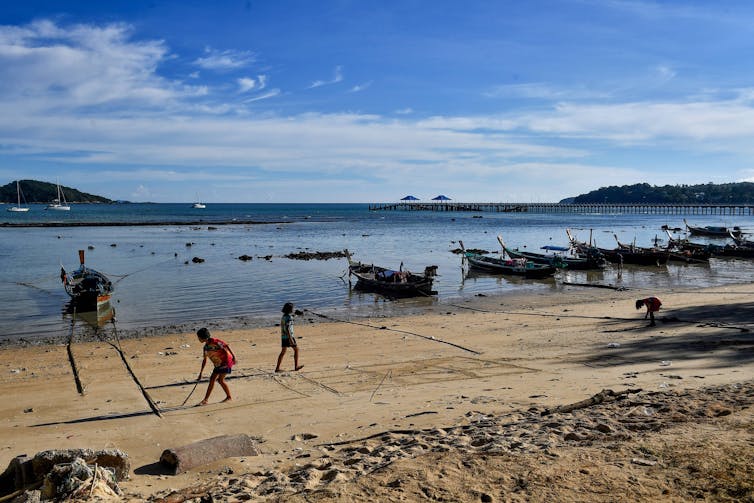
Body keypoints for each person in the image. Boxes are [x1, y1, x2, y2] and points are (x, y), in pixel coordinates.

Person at [196, 327, 236, 405]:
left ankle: (207, 400)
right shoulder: (205, 347)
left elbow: (226, 346)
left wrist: (234, 356)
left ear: (203, 338)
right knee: (215, 380)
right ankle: (207, 400)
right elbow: (204, 360)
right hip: (218, 364)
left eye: (199, 337)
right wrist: (201, 373)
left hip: (226, 362)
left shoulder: (216, 342)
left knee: (219, 380)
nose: (198, 339)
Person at [275, 302, 303, 372]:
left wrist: (295, 315)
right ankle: (296, 366)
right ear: (290, 310)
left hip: (283, 337)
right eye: (292, 309)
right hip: (289, 337)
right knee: (296, 350)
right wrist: (291, 339)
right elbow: (288, 328)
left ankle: (277, 368)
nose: (293, 309)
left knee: (283, 352)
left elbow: (290, 318)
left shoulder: (284, 317)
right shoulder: (289, 317)